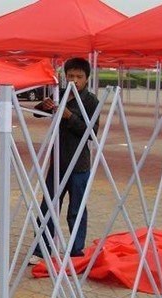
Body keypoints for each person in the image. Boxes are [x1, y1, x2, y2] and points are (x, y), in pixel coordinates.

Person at [29, 57, 99, 265]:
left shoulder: (91, 101)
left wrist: (70, 116)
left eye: (79, 77)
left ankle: (76, 251)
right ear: (65, 77)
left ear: (87, 78)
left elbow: (91, 133)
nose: (74, 80)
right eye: (70, 76)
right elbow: (37, 113)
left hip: (79, 165)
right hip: (57, 162)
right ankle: (41, 249)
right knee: (48, 207)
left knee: (76, 210)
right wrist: (45, 105)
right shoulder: (59, 94)